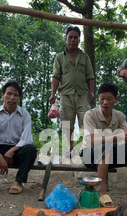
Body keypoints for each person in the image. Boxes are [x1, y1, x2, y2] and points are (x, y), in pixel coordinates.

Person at [49, 26, 95, 157]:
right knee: (66, 122)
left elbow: (90, 76)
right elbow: (56, 76)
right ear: (66, 39)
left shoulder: (84, 57)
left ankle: (87, 148)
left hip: (82, 94)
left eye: (76, 37)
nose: (73, 40)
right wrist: (53, 94)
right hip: (65, 94)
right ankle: (69, 149)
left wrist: (91, 91)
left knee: (86, 121)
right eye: (70, 37)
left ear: (79, 40)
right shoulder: (59, 58)